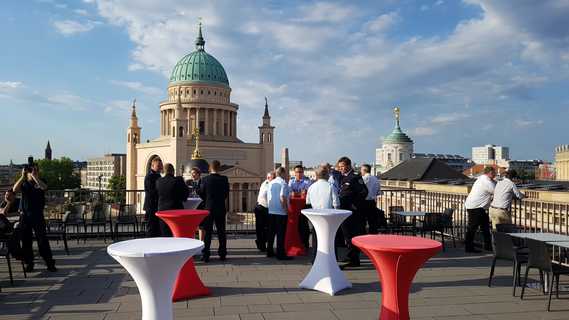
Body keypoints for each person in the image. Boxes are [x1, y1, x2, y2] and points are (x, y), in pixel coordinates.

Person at [13, 164, 56, 272]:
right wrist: (22, 176)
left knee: (42, 240)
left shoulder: (40, 181)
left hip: (37, 214)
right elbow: (14, 190)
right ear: (27, 171)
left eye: (36, 170)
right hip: (25, 215)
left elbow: (44, 187)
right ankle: (29, 263)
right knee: (26, 240)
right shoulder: (24, 183)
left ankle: (49, 263)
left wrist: (35, 177)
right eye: (32, 170)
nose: (34, 171)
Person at [337, 156, 368, 269]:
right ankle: (351, 256)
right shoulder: (342, 177)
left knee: (352, 235)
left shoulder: (355, 178)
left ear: (348, 166)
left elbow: (364, 192)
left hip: (352, 212)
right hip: (344, 211)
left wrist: (354, 205)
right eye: (339, 166)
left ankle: (354, 260)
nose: (340, 168)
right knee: (346, 235)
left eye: (342, 166)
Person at [198, 160, 230, 262]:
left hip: (209, 208)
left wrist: (207, 200)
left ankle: (206, 254)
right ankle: (222, 254)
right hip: (220, 208)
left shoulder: (205, 179)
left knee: (208, 233)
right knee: (221, 232)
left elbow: (201, 193)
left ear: (209, 168)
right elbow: (226, 194)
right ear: (219, 168)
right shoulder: (224, 179)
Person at [464, 166, 496, 253]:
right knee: (473, 227)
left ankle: (488, 246)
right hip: (476, 207)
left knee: (485, 227)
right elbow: (496, 191)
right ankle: (469, 247)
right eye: (494, 173)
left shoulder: (482, 178)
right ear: (489, 173)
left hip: (478, 206)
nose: (495, 174)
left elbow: (495, 184)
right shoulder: (486, 181)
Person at [156, 163, 189, 237]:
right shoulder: (178, 180)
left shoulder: (158, 181)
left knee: (165, 234)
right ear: (173, 171)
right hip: (176, 210)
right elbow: (185, 195)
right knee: (177, 233)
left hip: (162, 210)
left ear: (164, 171)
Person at [266, 167, 292, 260]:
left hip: (271, 210)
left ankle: (269, 251)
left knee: (271, 233)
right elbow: (282, 197)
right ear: (283, 173)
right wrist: (285, 209)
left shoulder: (271, 183)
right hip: (280, 212)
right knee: (281, 234)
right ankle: (280, 253)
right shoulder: (283, 183)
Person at [289, 165, 312, 249]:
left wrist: (296, 193)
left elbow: (305, 194)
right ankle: (295, 243)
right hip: (294, 207)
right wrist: (299, 193)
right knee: (294, 225)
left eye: (300, 172)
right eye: (297, 172)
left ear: (303, 173)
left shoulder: (307, 182)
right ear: (294, 173)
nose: (299, 174)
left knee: (304, 225)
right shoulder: (291, 181)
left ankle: (305, 243)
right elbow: (290, 193)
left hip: (304, 206)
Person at [254, 171, 275, 252]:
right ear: (269, 178)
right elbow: (265, 196)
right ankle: (261, 244)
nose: (274, 179)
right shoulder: (267, 185)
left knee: (263, 228)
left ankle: (261, 243)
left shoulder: (266, 183)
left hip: (262, 207)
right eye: (273, 178)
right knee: (262, 228)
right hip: (262, 208)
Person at [360, 164, 384, 234]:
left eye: (361, 170)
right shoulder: (376, 179)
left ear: (364, 170)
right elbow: (379, 192)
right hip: (372, 202)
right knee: (372, 222)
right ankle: (373, 237)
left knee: (362, 222)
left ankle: (363, 237)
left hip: (364, 202)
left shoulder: (363, 179)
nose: (360, 171)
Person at [143, 157, 163, 237]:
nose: (160, 168)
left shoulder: (158, 175)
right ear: (152, 166)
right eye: (158, 166)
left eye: (161, 166)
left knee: (157, 229)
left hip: (156, 206)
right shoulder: (150, 176)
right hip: (151, 206)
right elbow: (151, 191)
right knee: (151, 229)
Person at [188, 167, 206, 241]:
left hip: (201, 206)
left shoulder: (203, 182)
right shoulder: (188, 182)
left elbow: (203, 193)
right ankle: (193, 242)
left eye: (194, 173)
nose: (192, 175)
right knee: (192, 226)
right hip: (191, 207)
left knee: (201, 226)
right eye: (191, 173)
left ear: (199, 174)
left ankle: (201, 242)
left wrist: (196, 189)